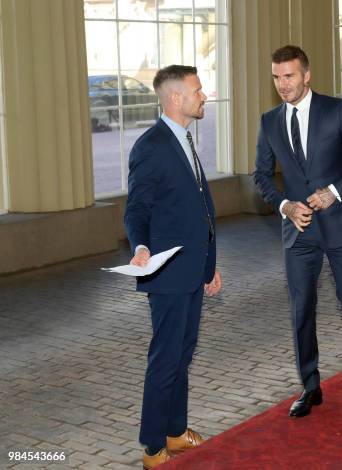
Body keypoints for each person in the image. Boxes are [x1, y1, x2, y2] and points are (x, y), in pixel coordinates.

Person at [254, 45, 342, 418]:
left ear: (306, 75)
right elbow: (261, 175)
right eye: (277, 77)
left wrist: (335, 191)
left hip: (340, 225)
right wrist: (284, 206)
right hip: (298, 231)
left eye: (289, 76)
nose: (282, 84)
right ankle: (310, 386)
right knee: (301, 311)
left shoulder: (336, 110)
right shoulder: (269, 121)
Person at [124, 65, 222, 469]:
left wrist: (208, 266)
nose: (204, 96)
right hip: (166, 274)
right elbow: (137, 209)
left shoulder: (183, 138)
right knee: (165, 360)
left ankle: (176, 431)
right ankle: (152, 448)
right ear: (175, 98)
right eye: (198, 90)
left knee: (183, 356)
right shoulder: (151, 146)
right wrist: (141, 245)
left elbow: (197, 209)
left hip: (192, 270)